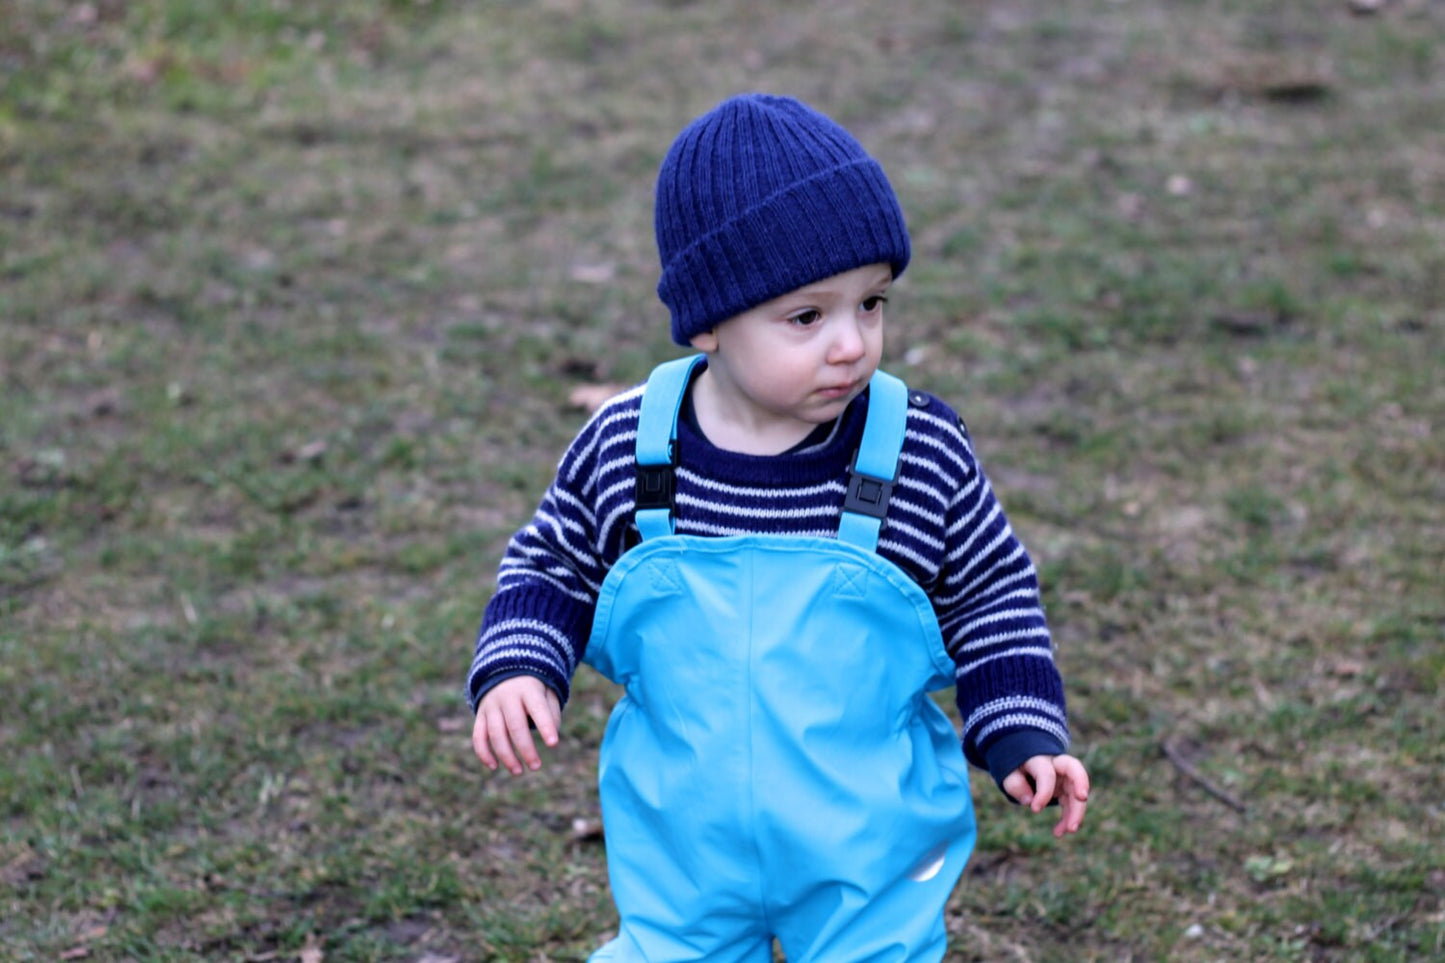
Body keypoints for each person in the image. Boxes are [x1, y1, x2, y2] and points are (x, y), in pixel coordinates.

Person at [467, 92, 1089, 962]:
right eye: (807, 315)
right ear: (710, 324)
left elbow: (989, 592)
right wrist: (521, 662)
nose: (850, 343)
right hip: (681, 847)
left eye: (870, 303)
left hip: (867, 849)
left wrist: (1019, 723)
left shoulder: (916, 451)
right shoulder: (627, 447)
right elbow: (554, 562)